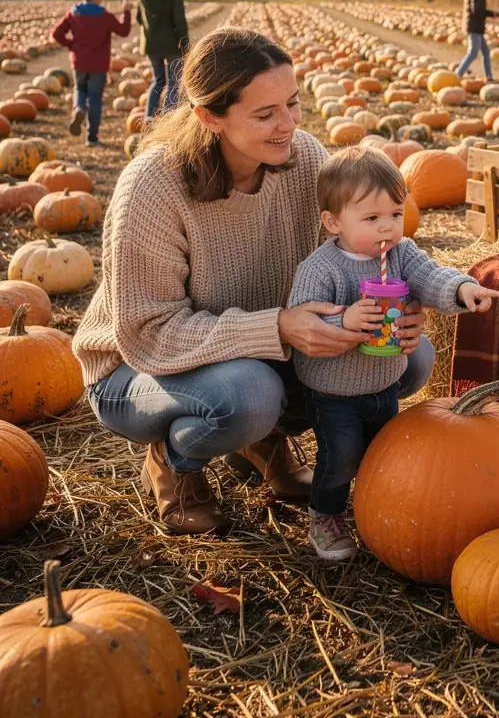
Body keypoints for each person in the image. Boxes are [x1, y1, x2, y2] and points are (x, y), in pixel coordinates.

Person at [72, 27, 433, 535]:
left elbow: (347, 261)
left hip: (257, 350)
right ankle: (174, 461)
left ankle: (259, 444)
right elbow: (148, 333)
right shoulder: (153, 188)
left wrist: (395, 307)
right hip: (135, 370)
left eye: (293, 103)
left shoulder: (305, 160)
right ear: (209, 117)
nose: (288, 124)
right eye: (265, 115)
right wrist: (279, 327)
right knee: (248, 395)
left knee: (408, 358)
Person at [289, 146, 499, 560]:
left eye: (396, 213)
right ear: (334, 222)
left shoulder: (400, 254)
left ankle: (374, 509)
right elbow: (304, 322)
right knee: (340, 457)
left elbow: (429, 276)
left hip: (384, 381)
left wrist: (461, 288)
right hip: (333, 391)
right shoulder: (321, 268)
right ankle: (325, 515)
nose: (387, 226)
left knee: (382, 455)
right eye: (371, 218)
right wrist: (345, 320)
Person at [51, 0, 132, 146]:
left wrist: (71, 44)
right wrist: (126, 11)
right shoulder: (105, 16)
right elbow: (123, 31)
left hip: (79, 62)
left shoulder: (73, 13)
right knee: (95, 97)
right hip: (99, 64)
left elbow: (56, 33)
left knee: (80, 88)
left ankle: (79, 108)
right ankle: (92, 137)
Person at [137, 0, 189, 121]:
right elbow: (179, 20)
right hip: (171, 43)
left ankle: (149, 116)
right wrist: (185, 44)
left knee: (158, 80)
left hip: (151, 44)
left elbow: (139, 17)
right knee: (174, 82)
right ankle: (168, 118)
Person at [456, 0, 498, 81]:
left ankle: (488, 77)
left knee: (485, 52)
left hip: (475, 26)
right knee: (473, 53)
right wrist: (491, 14)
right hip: (475, 27)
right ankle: (458, 74)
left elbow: (477, 9)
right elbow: (477, 10)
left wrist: (491, 13)